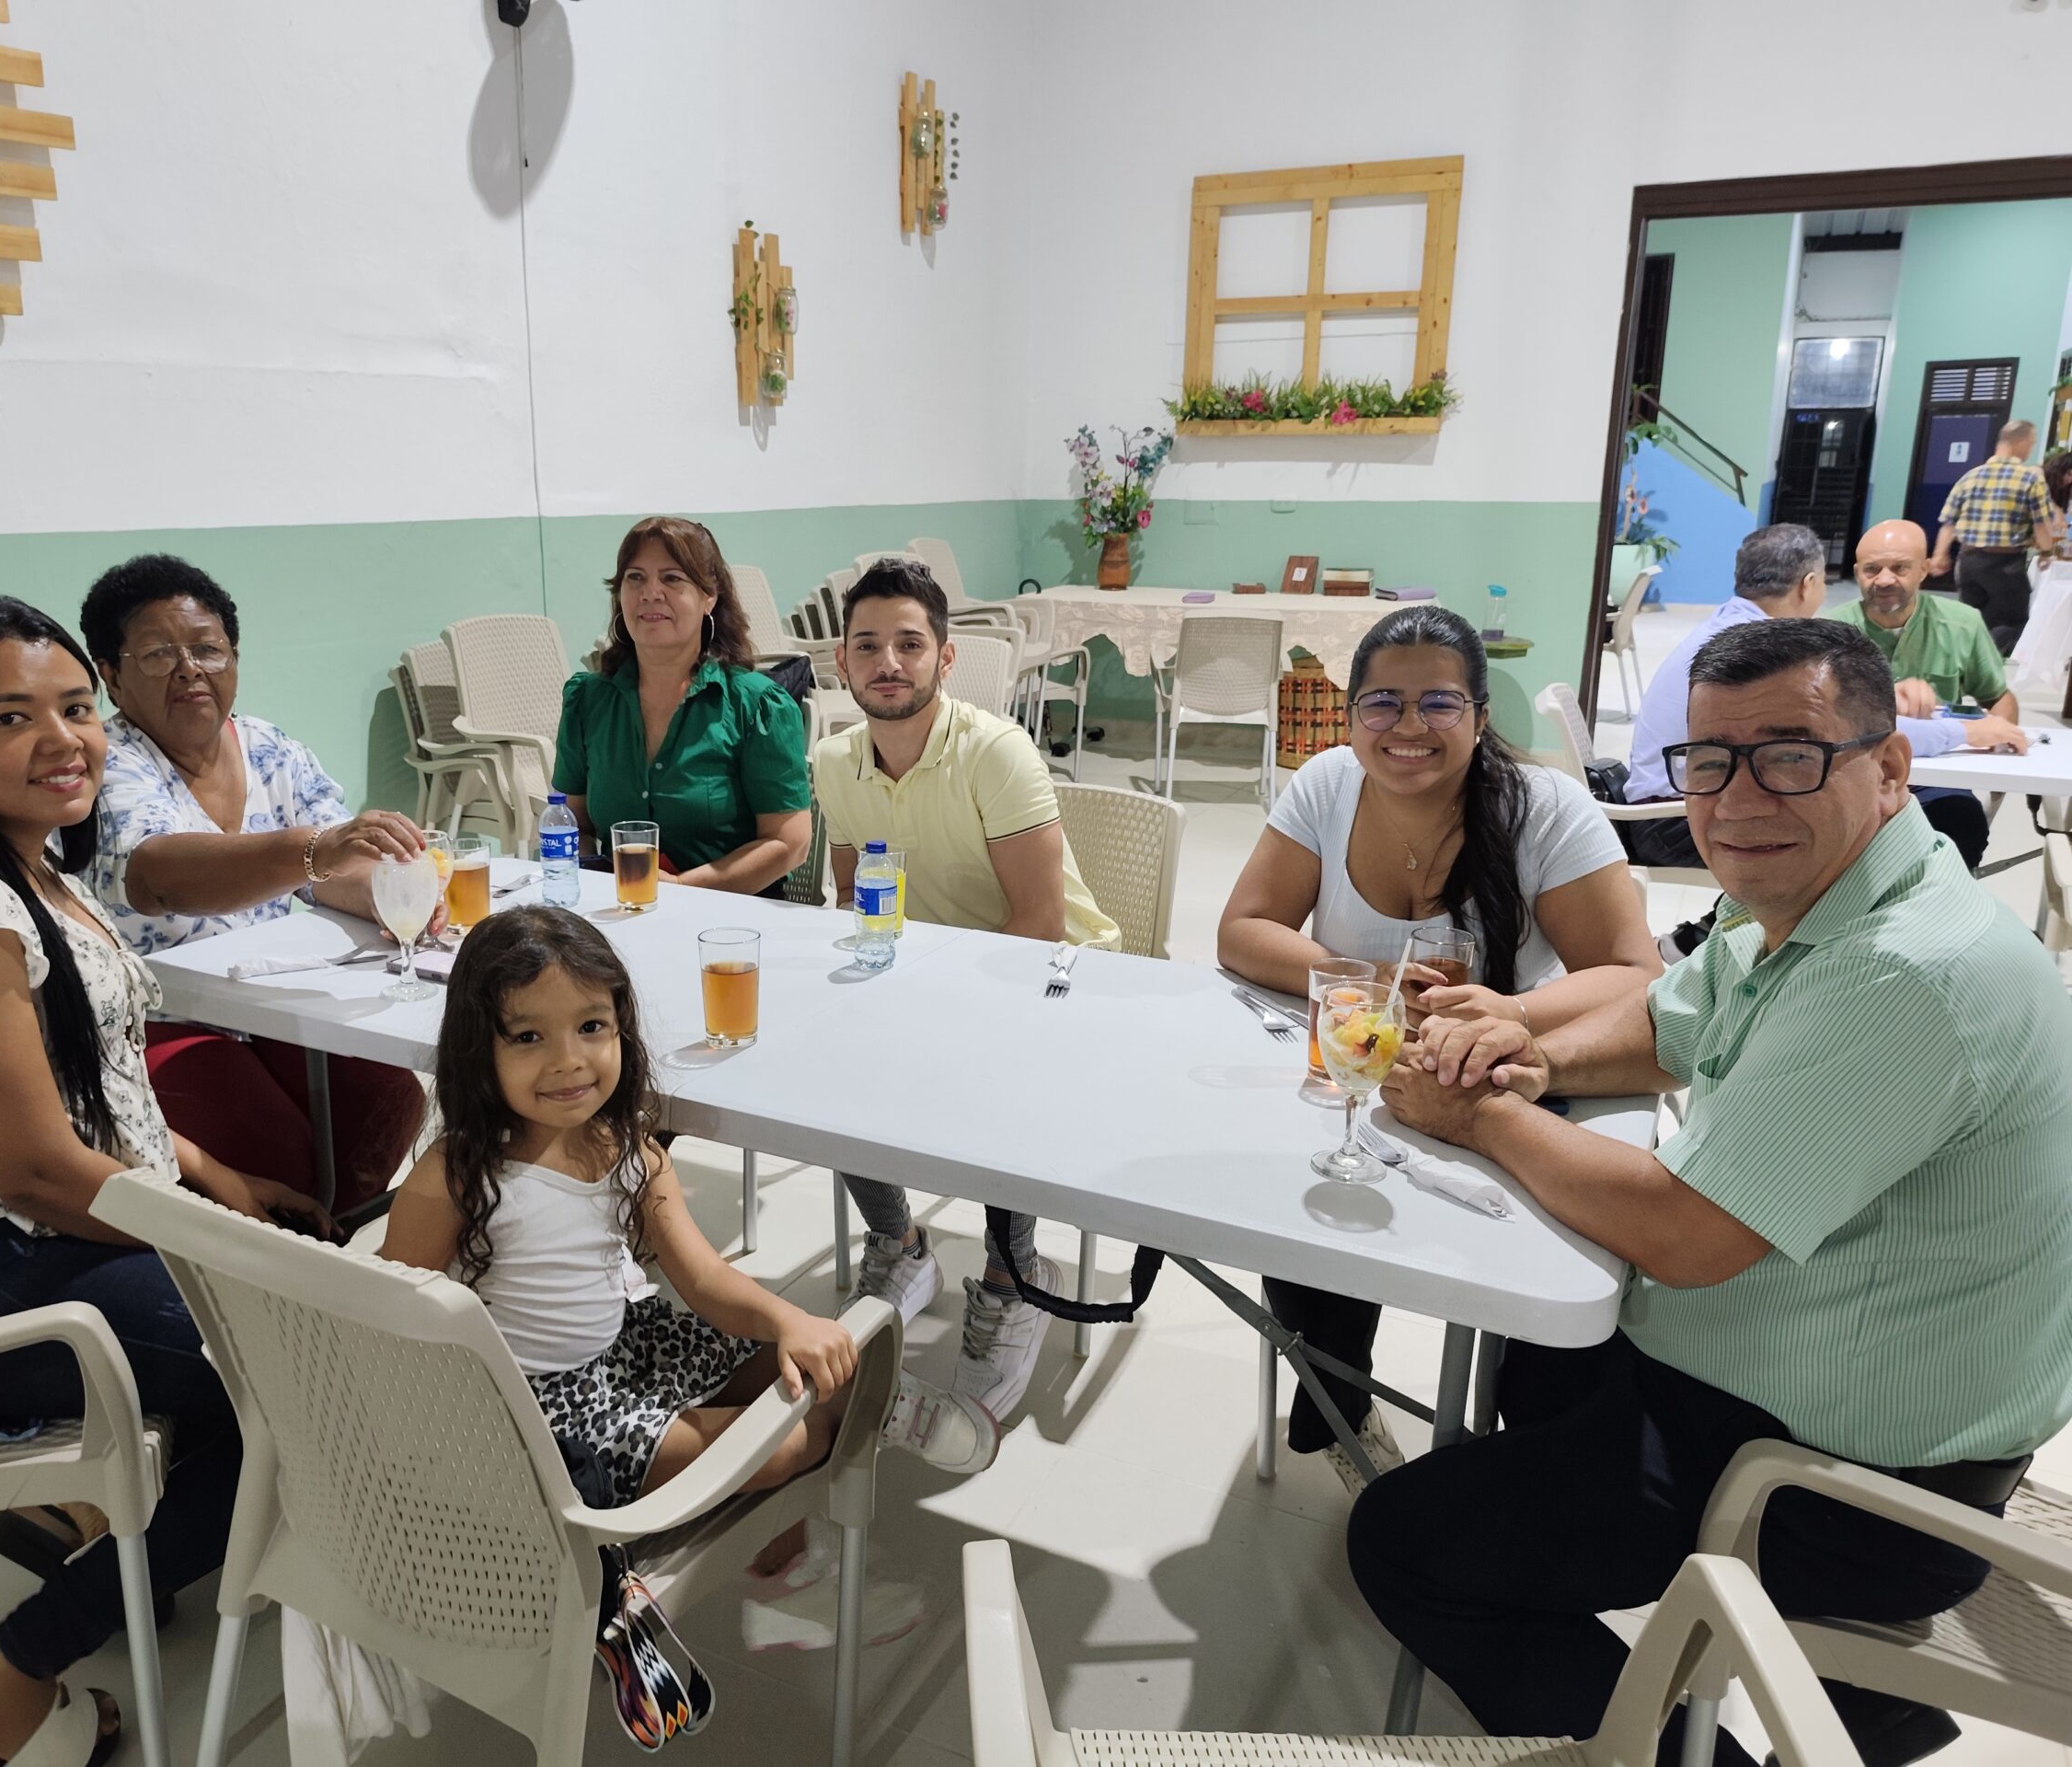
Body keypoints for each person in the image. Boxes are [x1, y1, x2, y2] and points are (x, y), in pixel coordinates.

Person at [1357, 618, 2072, 1767]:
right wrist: (1534, 1061)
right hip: (1808, 1380)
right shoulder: (1836, 893)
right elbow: (1668, 1023)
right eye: (1708, 761)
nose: (1737, 801)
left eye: (1790, 755)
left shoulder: (1903, 974)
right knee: (1539, 1361)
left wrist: (1479, 1117)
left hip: (1849, 1490)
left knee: (1407, 1541)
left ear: (1889, 768)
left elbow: (1685, 1237)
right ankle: (1858, 1702)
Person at [0, 597, 331, 1767]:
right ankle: (4, 1669)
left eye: (76, 708)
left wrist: (214, 1175)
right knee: (316, 1381)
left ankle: (96, 1519)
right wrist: (218, 1243)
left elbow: (90, 1093)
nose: (63, 740)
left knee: (300, 1341)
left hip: (23, 1244)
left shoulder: (21, 867)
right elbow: (34, 1168)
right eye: (9, 717)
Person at [379, 906, 996, 1652]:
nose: (569, 1060)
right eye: (528, 1036)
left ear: (621, 1027)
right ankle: (800, 1557)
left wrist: (790, 1322)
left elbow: (703, 1278)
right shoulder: (456, 1174)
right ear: (479, 1049)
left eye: (591, 1026)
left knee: (815, 1363)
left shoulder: (628, 1147)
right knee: (793, 1441)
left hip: (629, 1352)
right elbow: (391, 1317)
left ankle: (803, 1548)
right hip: (545, 1417)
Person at [1215, 604, 1662, 1490]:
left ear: (1481, 717)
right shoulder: (1328, 784)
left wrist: (1510, 1010)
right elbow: (1244, 929)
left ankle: (1507, 1459)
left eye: (1439, 703)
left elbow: (1633, 972)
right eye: (1382, 702)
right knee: (1305, 1219)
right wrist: (1367, 980)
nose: (1408, 727)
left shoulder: (1543, 809)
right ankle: (1339, 1408)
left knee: (1540, 1292)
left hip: (1505, 1085)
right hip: (1360, 1081)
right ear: (1351, 717)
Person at [811, 558, 1120, 1422]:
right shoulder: (834, 761)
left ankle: (1012, 1271)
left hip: (1055, 975)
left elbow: (1041, 924)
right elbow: (854, 899)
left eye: (910, 644)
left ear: (945, 658)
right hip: (927, 970)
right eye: (867, 645)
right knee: (824, 1051)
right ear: (841, 663)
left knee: (997, 1070)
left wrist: (930, 1006)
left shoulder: (995, 752)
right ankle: (899, 1242)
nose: (888, 663)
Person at [79, 553, 432, 1215]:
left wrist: (388, 896)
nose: (189, 669)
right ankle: (261, 1260)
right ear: (112, 677)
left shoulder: (270, 747)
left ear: (234, 659)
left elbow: (338, 865)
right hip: (160, 1014)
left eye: (207, 649)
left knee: (385, 1097)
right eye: (158, 654)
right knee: (268, 1144)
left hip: (269, 998)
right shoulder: (108, 761)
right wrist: (314, 850)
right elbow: (158, 875)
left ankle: (322, 1243)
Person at [1624, 523, 2018, 883]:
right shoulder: (1768, 650)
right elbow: (1861, 732)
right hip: (1672, 815)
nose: (1885, 580)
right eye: (1871, 570)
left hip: (1674, 804)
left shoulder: (1732, 627)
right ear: (1808, 584)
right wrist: (1966, 731)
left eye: (1900, 568)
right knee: (1859, 818)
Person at [553, 516, 812, 895]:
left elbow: (789, 842)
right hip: (620, 909)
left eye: (672, 578)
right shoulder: (587, 700)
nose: (650, 593)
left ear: (710, 597)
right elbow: (572, 822)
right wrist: (589, 874)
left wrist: (679, 888)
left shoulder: (757, 705)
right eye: (635, 577)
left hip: (733, 917)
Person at [1929, 417, 2061, 651]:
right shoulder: (2029, 478)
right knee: (2010, 622)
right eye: (2031, 443)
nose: (2030, 449)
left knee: (1971, 617)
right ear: (2021, 443)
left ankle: (1964, 659)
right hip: (2005, 565)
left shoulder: (1970, 476)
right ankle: (1988, 665)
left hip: (1967, 561)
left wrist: (1940, 555)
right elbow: (2041, 524)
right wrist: (2046, 552)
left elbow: (1948, 522)